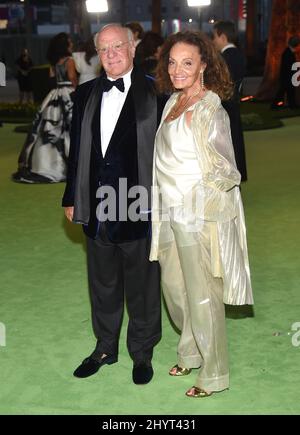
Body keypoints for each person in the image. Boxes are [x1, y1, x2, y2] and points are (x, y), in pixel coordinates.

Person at [150, 31, 253, 398]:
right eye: (173, 62)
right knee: (175, 290)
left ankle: (213, 373)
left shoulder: (210, 108)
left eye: (187, 63)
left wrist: (207, 212)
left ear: (204, 66)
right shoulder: (172, 102)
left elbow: (228, 170)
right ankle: (191, 350)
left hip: (198, 217)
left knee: (204, 296)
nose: (177, 70)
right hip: (167, 213)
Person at [62, 24, 167, 384]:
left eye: (117, 46)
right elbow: (77, 150)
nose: (111, 55)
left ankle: (142, 352)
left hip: (139, 205)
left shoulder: (156, 91)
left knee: (142, 286)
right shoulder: (87, 93)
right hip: (96, 205)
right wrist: (71, 196)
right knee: (102, 282)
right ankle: (105, 346)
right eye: (104, 49)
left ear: (133, 47)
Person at [12, 33, 77, 184]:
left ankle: (49, 164)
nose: (72, 44)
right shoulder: (70, 60)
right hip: (69, 92)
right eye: (70, 42)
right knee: (72, 126)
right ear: (65, 45)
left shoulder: (55, 62)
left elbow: (51, 78)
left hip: (55, 93)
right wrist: (78, 91)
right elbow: (73, 78)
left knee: (50, 126)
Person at [212, 21, 248, 182]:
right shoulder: (239, 55)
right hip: (234, 107)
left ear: (223, 36)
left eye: (215, 36)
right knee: (235, 147)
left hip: (225, 109)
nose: (213, 40)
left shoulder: (224, 59)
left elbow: (220, 87)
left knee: (227, 149)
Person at [271, 36, 300, 110]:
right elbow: (288, 66)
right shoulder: (288, 53)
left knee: (289, 91)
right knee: (283, 91)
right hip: (286, 76)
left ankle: (292, 105)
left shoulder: (289, 52)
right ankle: (274, 106)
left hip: (288, 76)